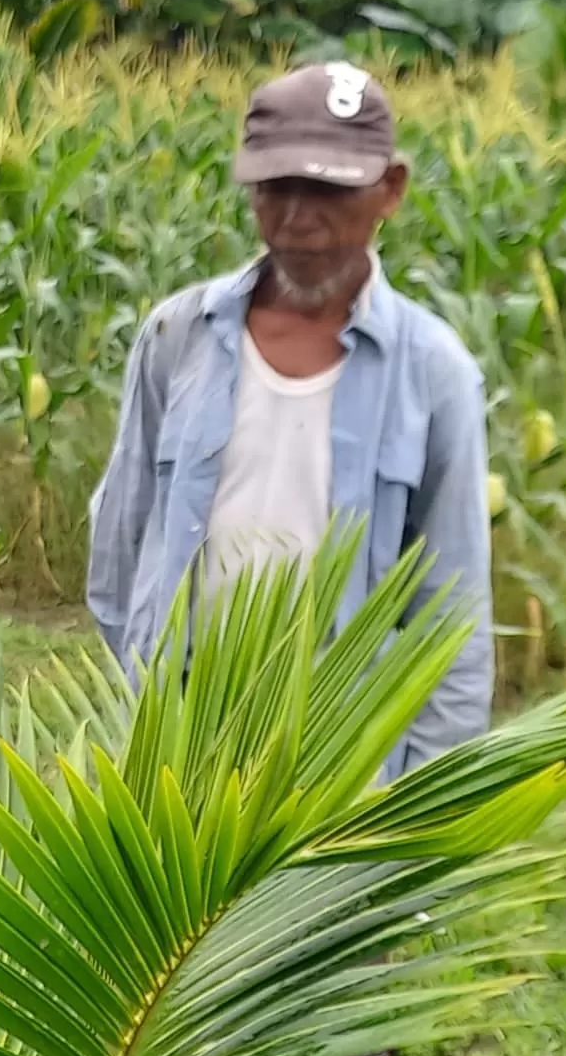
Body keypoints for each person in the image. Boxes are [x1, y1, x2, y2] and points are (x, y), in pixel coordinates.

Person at [85, 58, 492, 769]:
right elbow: (122, 539)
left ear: (389, 188)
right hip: (174, 739)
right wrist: (139, 704)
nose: (299, 219)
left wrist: (416, 810)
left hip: (335, 758)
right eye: (276, 188)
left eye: (327, 190)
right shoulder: (177, 337)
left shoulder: (433, 371)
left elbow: (450, 613)